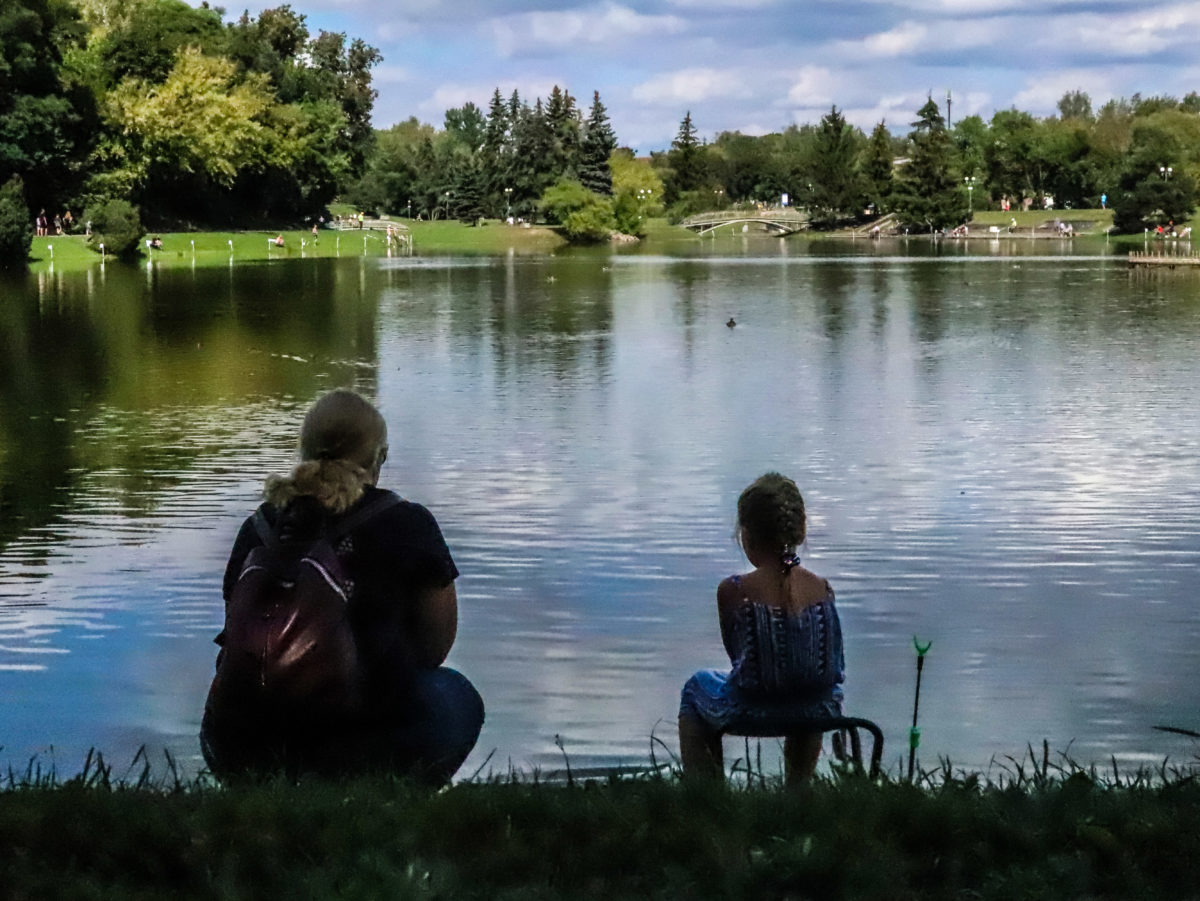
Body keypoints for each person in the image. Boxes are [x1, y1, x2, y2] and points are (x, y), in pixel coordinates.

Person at [201, 389, 483, 783]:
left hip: (240, 744)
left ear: (304, 452)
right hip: (362, 742)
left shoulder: (259, 527)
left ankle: (268, 781)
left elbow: (237, 632)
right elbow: (434, 649)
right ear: (377, 459)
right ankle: (385, 789)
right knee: (456, 692)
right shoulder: (408, 523)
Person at [679, 473, 844, 785]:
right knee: (809, 691)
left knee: (695, 688)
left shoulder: (734, 591)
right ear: (798, 531)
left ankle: (705, 794)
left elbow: (739, 659)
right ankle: (797, 791)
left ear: (748, 535)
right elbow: (835, 666)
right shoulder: (823, 589)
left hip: (753, 709)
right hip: (818, 710)